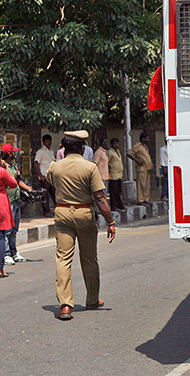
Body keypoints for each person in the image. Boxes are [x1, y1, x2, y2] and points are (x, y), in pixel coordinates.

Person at [46, 130, 116, 320]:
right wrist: (110, 221)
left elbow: (51, 185)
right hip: (84, 213)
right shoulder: (89, 167)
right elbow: (100, 198)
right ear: (82, 148)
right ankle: (92, 299)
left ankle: (65, 305)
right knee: (89, 258)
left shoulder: (55, 166)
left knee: (63, 259)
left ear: (64, 147)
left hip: (61, 213)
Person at [2, 144, 33, 265]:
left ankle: (14, 252)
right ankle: (6, 254)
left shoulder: (13, 166)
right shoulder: (3, 168)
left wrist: (28, 188)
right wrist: (13, 178)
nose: (15, 154)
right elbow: (9, 181)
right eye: (13, 152)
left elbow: (18, 181)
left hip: (16, 201)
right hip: (8, 202)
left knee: (14, 230)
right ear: (9, 154)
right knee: (7, 230)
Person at [0, 151, 18, 278]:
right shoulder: (2, 171)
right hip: (1, 205)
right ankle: (0, 267)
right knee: (1, 236)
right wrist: (5, 169)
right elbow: (13, 184)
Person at [127, 133, 154, 204]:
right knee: (141, 184)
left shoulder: (145, 146)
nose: (148, 140)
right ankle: (140, 199)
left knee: (147, 184)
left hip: (147, 167)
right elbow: (129, 154)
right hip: (141, 168)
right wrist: (137, 161)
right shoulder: (137, 146)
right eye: (147, 138)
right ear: (143, 138)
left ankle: (146, 198)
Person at [33, 134, 55, 215]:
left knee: (54, 194)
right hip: (44, 176)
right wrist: (40, 176)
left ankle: (56, 209)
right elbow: (36, 163)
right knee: (45, 195)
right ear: (44, 142)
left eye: (49, 141)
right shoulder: (40, 151)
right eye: (47, 142)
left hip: (51, 176)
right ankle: (46, 212)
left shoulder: (51, 151)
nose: (48, 143)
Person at [107, 138, 125, 211]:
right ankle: (114, 206)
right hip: (113, 174)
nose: (116, 145)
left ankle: (119, 205)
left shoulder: (117, 151)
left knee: (118, 191)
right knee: (113, 192)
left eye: (117, 144)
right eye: (114, 144)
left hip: (119, 174)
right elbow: (107, 163)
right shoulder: (110, 152)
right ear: (111, 144)